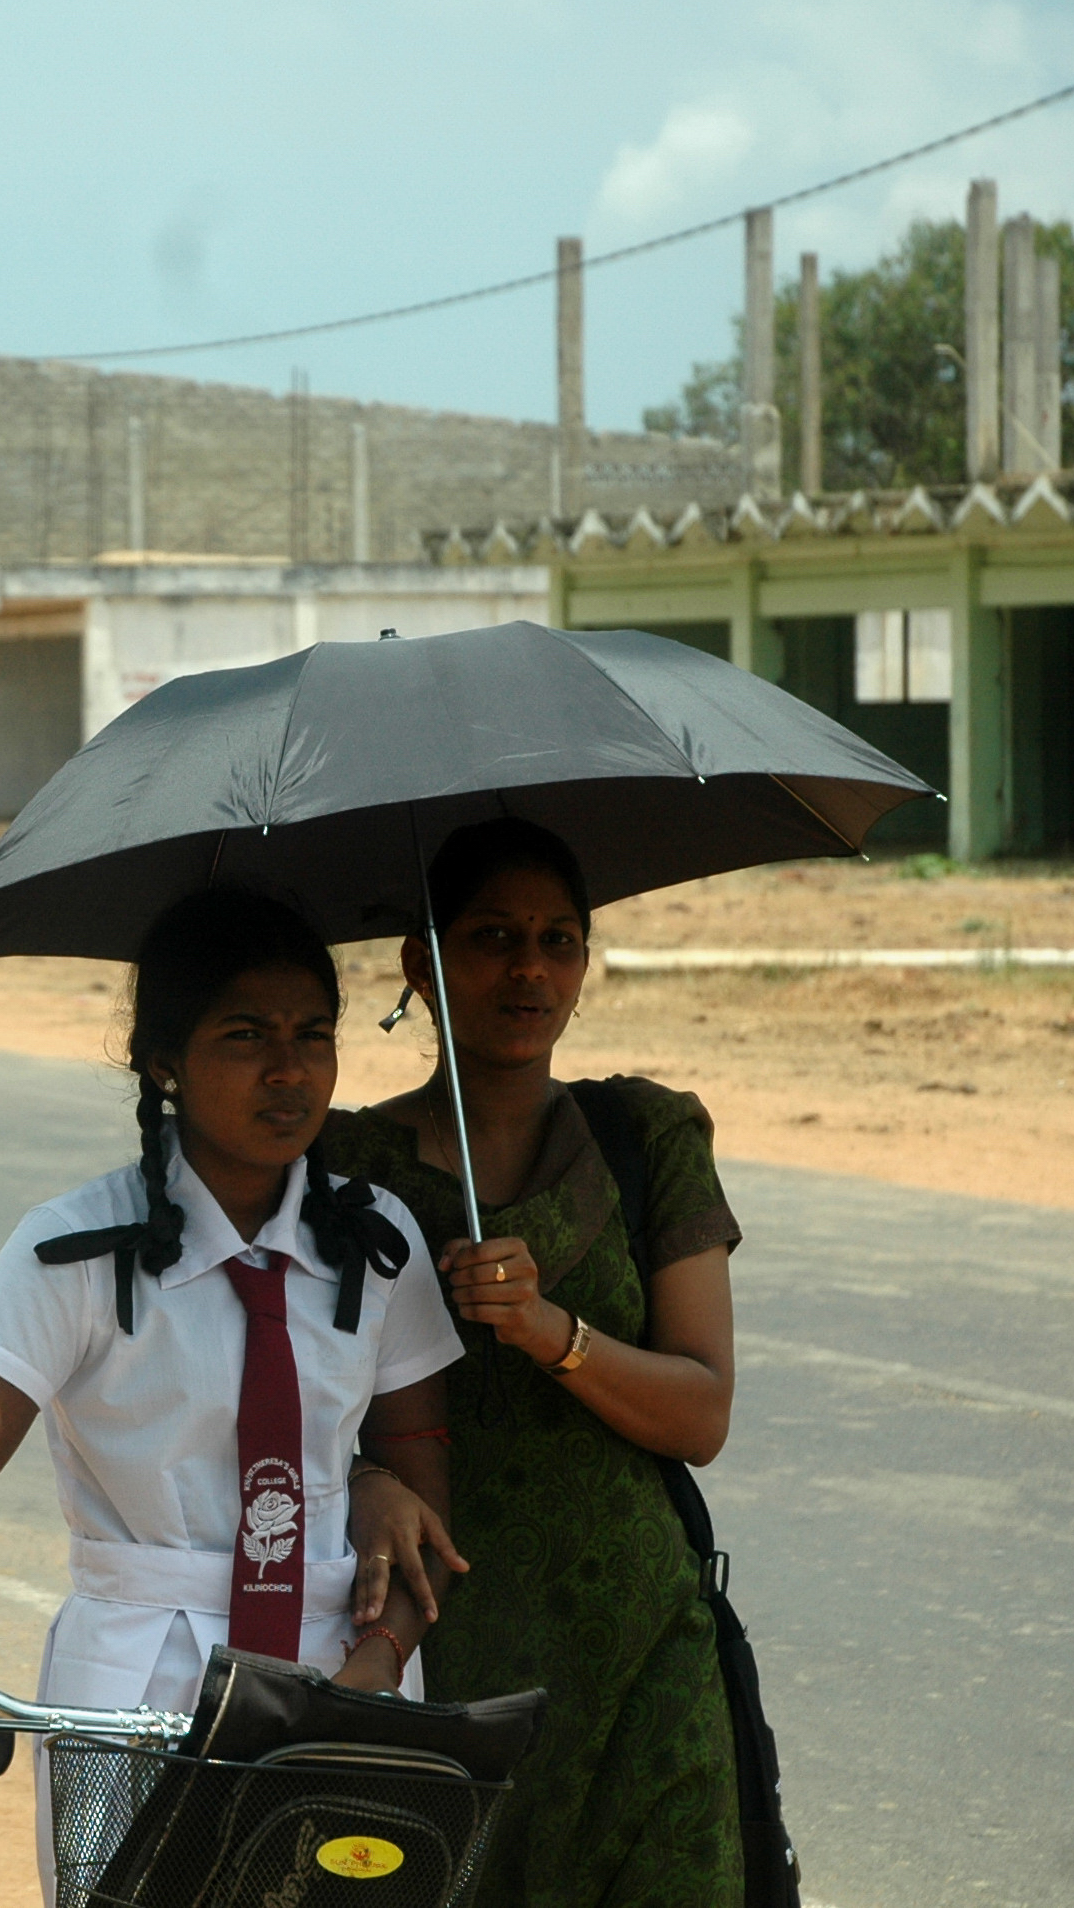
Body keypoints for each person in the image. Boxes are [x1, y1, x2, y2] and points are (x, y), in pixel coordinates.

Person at [0, 889, 465, 1898]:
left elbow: (420, 1497)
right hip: (140, 1684)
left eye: (315, 1035)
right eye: (246, 1035)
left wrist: (375, 1663)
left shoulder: (374, 1243)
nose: (290, 1069)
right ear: (163, 1061)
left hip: (345, 1673)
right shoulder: (77, 1251)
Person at [326, 817, 744, 1908]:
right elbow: (289, 1403)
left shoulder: (644, 1140)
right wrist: (366, 1480)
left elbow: (701, 1414)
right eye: (491, 937)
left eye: (558, 940)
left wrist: (552, 1333)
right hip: (441, 1659)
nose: (528, 969)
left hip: (638, 1657)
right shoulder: (341, 1168)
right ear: (421, 964)